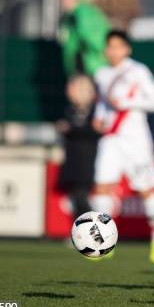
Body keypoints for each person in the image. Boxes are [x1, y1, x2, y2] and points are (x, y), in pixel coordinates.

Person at [91, 29, 154, 264]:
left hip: (136, 141)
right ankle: (103, 240)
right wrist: (98, 117)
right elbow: (103, 104)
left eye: (118, 46)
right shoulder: (102, 74)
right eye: (110, 46)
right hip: (110, 139)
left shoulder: (137, 71)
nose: (113, 51)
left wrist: (127, 102)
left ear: (127, 49)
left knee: (145, 189)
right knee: (103, 187)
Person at [57, 75, 101, 221]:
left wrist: (72, 129)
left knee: (82, 197)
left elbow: (95, 131)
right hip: (72, 160)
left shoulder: (96, 110)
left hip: (87, 160)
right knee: (76, 197)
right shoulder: (70, 110)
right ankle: (82, 230)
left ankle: (95, 226)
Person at [58, 0, 110, 78]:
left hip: (93, 63)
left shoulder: (83, 13)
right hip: (80, 64)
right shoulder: (68, 17)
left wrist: (102, 53)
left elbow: (90, 37)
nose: (64, 2)